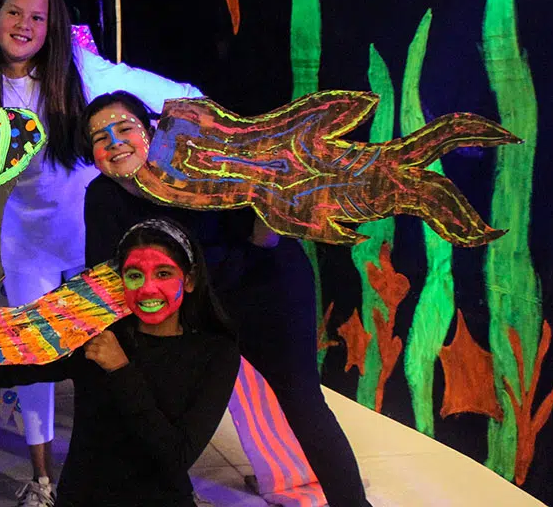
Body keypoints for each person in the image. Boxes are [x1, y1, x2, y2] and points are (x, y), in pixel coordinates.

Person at [82, 91, 373, 507]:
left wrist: (265, 228)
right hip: (196, 305)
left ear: (150, 131)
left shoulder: (195, 163)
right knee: (159, 400)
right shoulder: (103, 197)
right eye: (99, 137)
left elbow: (269, 210)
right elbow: (105, 272)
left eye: (124, 128)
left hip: (265, 285)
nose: (114, 141)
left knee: (302, 402)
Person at [0, 0, 201, 507]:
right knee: (34, 360)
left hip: (91, 237)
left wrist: (200, 140)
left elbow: (182, 98)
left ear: (52, 27)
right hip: (21, 242)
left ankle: (135, 469)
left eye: (37, 17)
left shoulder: (79, 70)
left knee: (118, 353)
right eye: (14, 13)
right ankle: (43, 480)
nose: (24, 25)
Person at [0, 219, 240, 507]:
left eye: (163, 273)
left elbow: (174, 456)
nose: (147, 288)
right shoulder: (93, 334)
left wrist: (120, 370)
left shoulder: (214, 354)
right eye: (134, 275)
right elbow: (5, 371)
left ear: (190, 279)